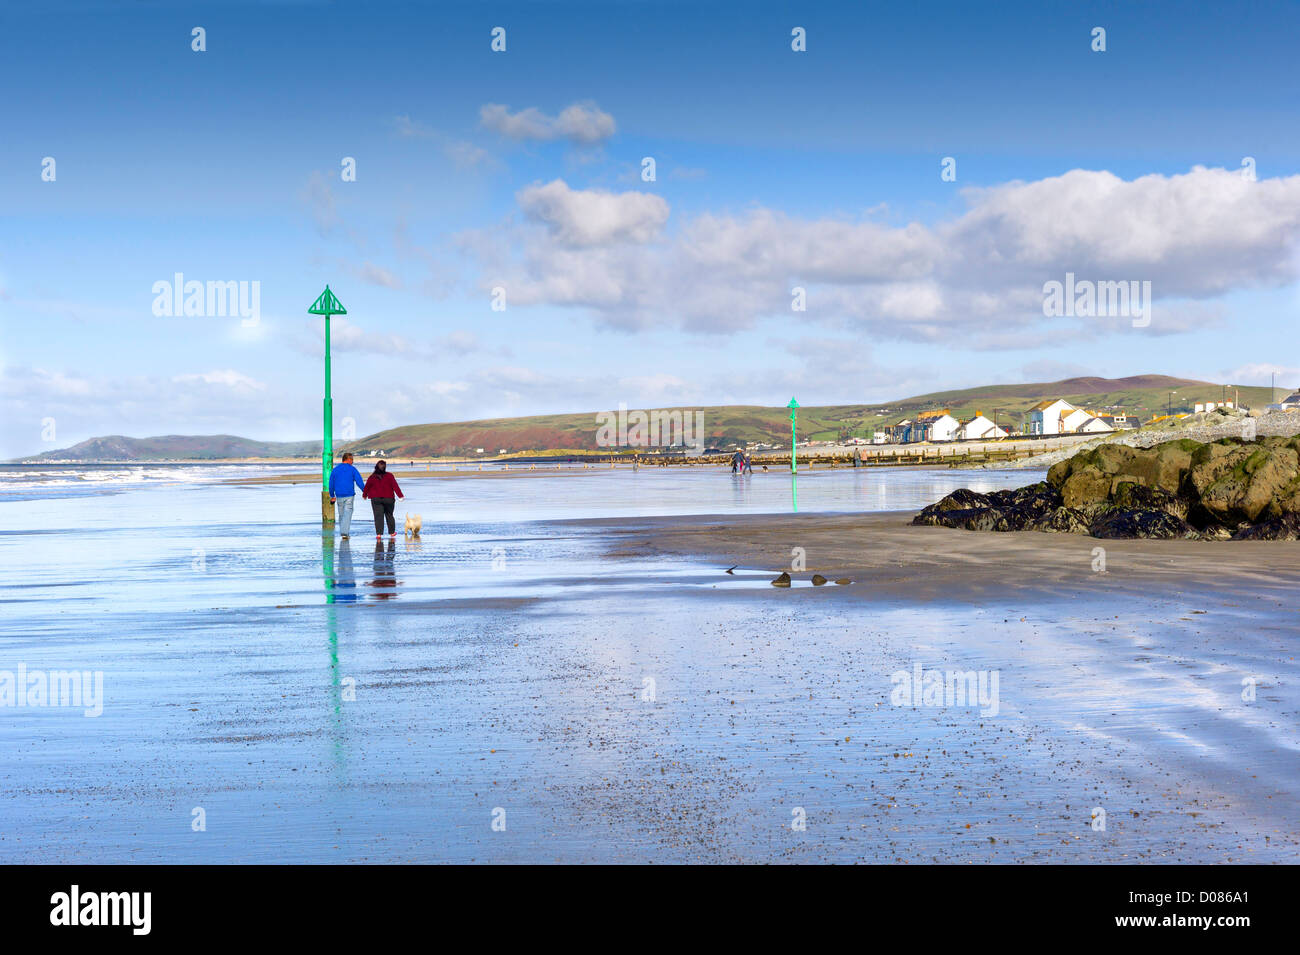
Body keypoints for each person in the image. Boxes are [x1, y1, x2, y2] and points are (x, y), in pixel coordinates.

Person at [362, 459, 404, 538]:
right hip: (389, 498)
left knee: (378, 516)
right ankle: (392, 532)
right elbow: (395, 486)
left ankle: (379, 534)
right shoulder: (390, 476)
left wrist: (364, 495)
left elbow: (367, 487)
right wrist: (400, 496)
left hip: (376, 499)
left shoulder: (372, 477)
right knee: (389, 515)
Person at [327, 452, 365, 539]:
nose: (353, 462)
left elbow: (331, 483)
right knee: (347, 513)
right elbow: (359, 481)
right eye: (352, 460)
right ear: (348, 459)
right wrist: (364, 491)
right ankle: (345, 533)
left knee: (341, 514)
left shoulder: (335, 470)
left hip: (339, 495)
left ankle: (343, 532)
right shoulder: (352, 469)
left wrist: (332, 495)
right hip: (349, 495)